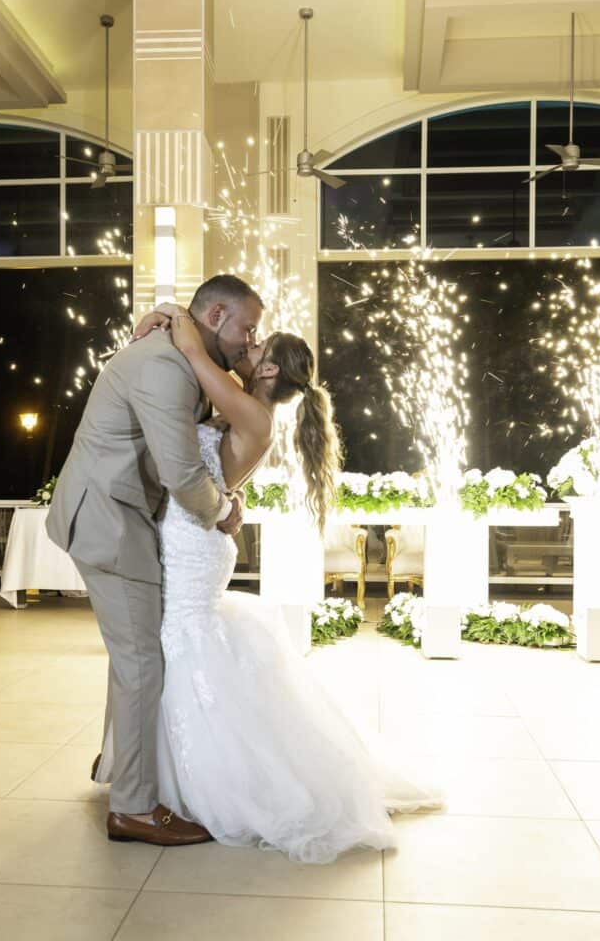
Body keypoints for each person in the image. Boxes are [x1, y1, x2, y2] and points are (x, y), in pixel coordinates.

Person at [106, 302, 441, 864]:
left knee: (176, 643)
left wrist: (174, 316)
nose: (247, 345)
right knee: (174, 644)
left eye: (257, 346)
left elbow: (192, 352)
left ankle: (179, 782)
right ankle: (148, 774)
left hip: (194, 540)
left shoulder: (252, 412)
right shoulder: (248, 408)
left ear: (266, 371)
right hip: (195, 534)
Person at [46, 275, 264, 846]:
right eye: (247, 328)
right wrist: (226, 512)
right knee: (142, 659)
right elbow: (183, 474)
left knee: (134, 655)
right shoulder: (167, 365)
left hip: (120, 514)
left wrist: (172, 312)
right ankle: (134, 808)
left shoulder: (179, 352)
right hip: (110, 520)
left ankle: (120, 765)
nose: (250, 340)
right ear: (215, 316)